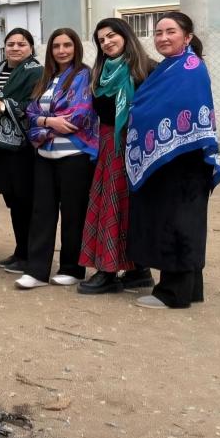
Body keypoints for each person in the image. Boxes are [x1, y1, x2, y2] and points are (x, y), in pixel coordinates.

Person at [125, 12, 220, 309]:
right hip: (173, 158)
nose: (163, 37)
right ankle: (190, 290)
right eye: (158, 33)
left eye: (170, 31)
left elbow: (178, 108)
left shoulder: (190, 68)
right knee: (183, 221)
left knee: (177, 223)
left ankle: (172, 293)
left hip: (183, 158)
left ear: (187, 36)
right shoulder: (170, 67)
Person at [76, 18, 158, 295]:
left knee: (132, 207)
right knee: (110, 205)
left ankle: (128, 270)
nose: (107, 42)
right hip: (110, 147)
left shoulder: (147, 69)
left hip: (138, 147)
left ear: (125, 35)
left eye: (112, 36)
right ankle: (119, 269)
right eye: (101, 40)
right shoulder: (99, 74)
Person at [16, 28, 98, 290]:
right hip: (44, 155)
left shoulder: (84, 75)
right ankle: (37, 271)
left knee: (73, 214)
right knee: (42, 213)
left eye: (67, 45)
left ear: (76, 48)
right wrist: (49, 121)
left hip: (74, 156)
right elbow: (30, 113)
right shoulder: (46, 78)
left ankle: (72, 269)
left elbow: (78, 115)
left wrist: (43, 121)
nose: (62, 51)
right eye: (56, 46)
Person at [0, 28, 43, 274]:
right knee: (13, 201)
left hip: (22, 148)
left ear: (30, 48)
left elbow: (36, 106)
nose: (15, 48)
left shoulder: (36, 72)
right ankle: (19, 251)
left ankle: (29, 255)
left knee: (25, 201)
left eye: (21, 44)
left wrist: (3, 106)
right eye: (11, 44)